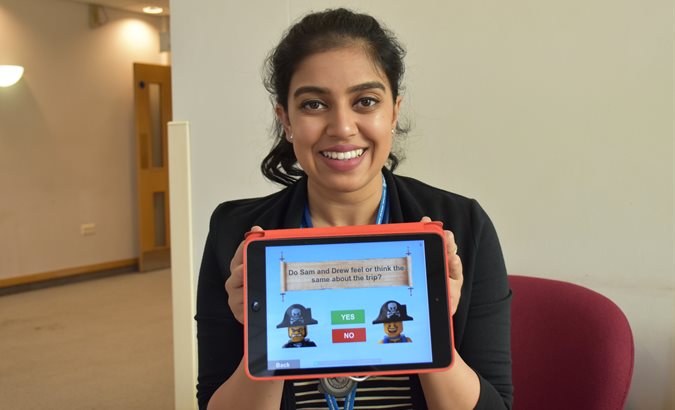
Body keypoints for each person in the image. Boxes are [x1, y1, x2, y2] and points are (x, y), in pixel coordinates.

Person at [196, 8, 512, 410]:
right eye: (313, 104)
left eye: (365, 101)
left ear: (394, 112)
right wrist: (261, 339)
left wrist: (431, 329)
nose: (342, 127)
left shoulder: (464, 226)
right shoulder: (235, 235)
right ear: (286, 120)